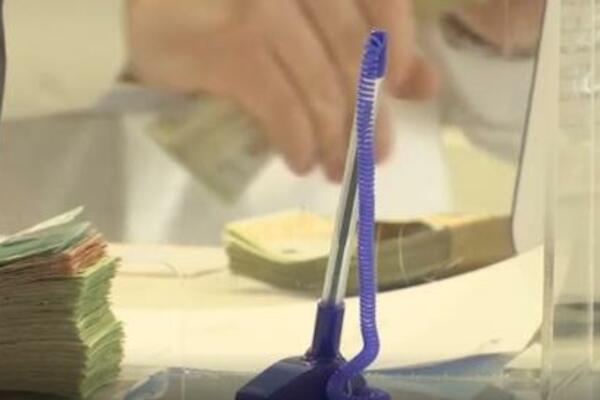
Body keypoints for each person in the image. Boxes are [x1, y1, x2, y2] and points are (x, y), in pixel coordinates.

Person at [0, 0, 544, 243]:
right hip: (34, 305)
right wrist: (102, 22)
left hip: (372, 303)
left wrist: (510, 35)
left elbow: (533, 134)